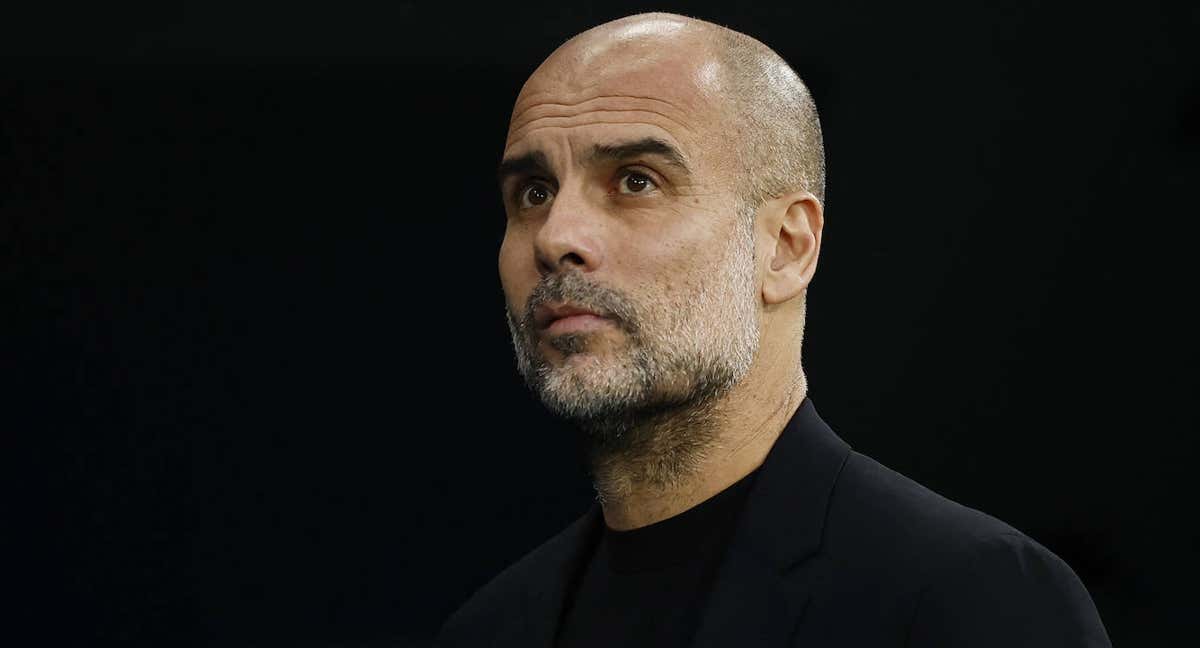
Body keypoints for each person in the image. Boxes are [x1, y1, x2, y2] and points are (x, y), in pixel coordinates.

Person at [438, 12, 1110, 647]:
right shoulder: (490, 628)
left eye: (636, 180)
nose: (556, 237)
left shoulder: (971, 598)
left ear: (787, 247)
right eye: (532, 192)